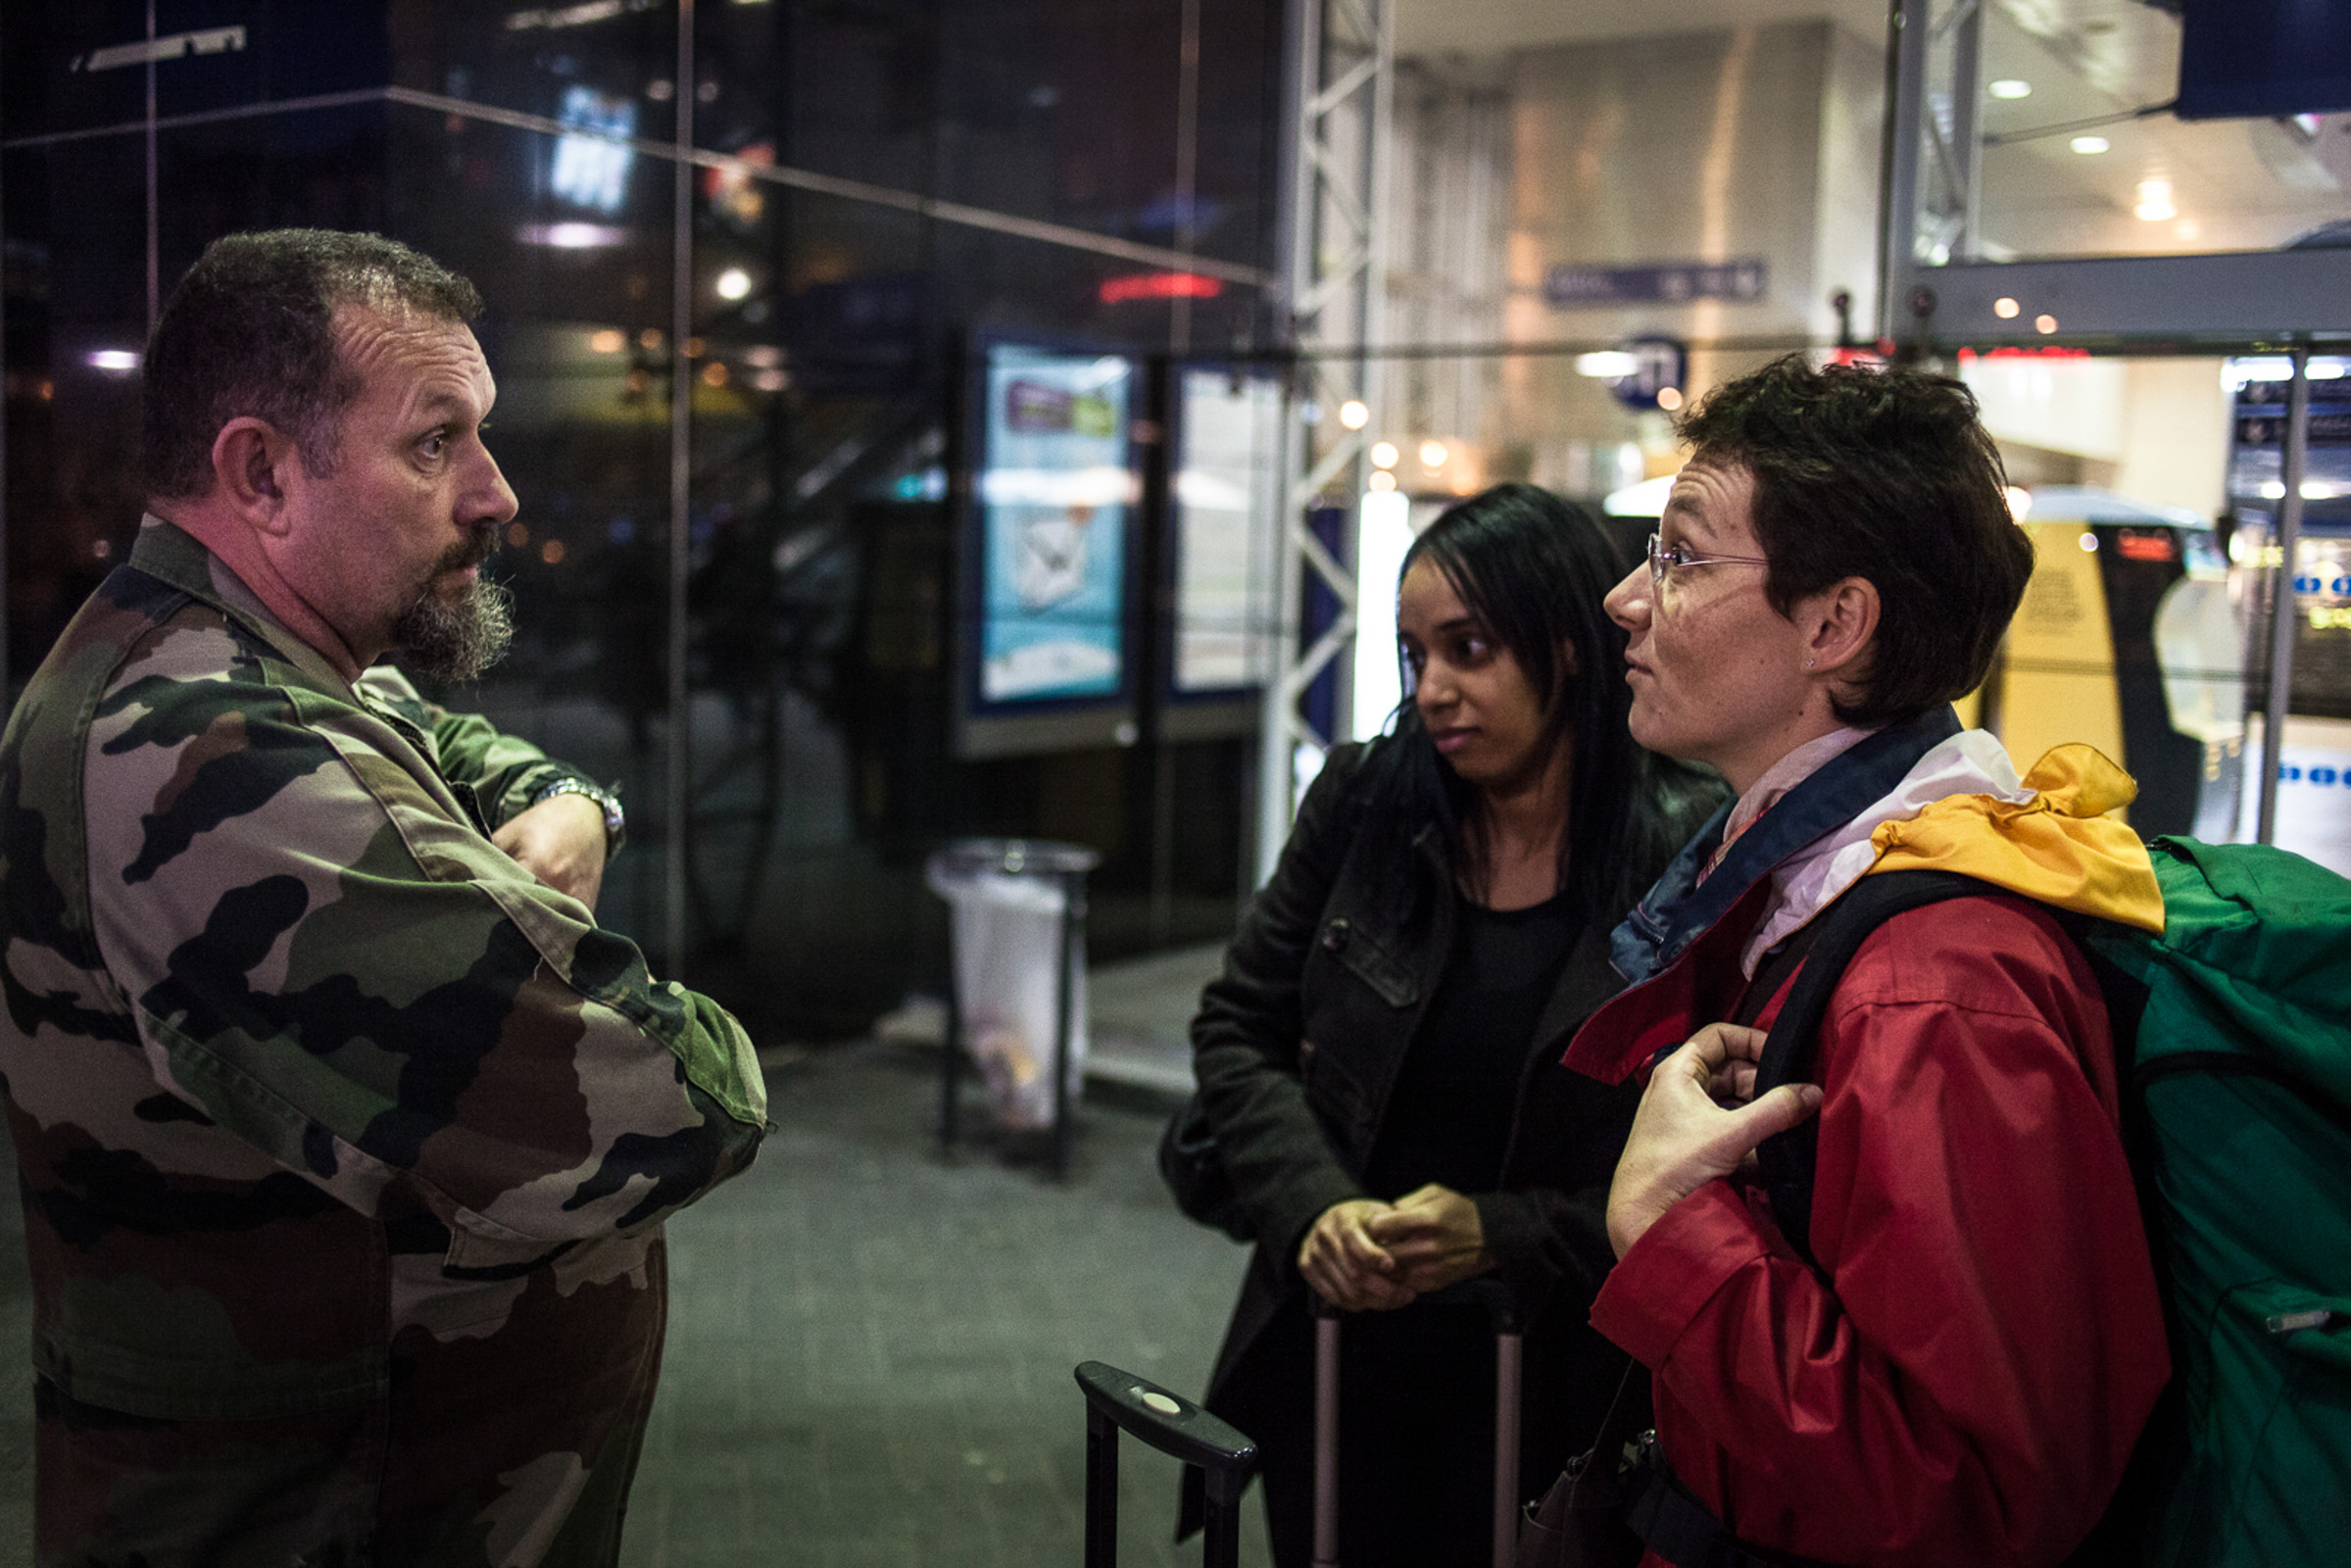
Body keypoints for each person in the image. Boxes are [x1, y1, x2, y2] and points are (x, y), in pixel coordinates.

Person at [0, 229, 769, 1566]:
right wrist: (685, 1023)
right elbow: (675, 1102)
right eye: (435, 443)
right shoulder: (198, 751)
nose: (497, 495)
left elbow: (445, 740)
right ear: (261, 472)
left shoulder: (260, 659)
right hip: (329, 1508)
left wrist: (578, 806)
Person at [1565, 355, 2173, 1567]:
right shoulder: (1829, 888)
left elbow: (1979, 1494)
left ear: (1833, 625)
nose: (1626, 599)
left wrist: (1670, 1225)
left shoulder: (1935, 981)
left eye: (1679, 556)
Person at [1179, 484, 1725, 1567]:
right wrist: (1313, 1209)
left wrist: (1504, 1230)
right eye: (1413, 653)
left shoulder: (1685, 845)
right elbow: (1236, 1025)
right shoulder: (1369, 801)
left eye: (1468, 648)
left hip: (1552, 1382)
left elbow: (1702, 1170)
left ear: (1566, 646)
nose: (1432, 690)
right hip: (1335, 1353)